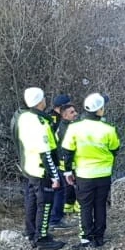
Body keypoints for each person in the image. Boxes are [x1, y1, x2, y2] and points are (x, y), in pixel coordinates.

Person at [62, 93, 121, 248]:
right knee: (100, 205)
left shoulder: (74, 128)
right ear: (99, 110)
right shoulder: (108, 129)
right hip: (103, 173)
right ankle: (99, 236)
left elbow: (67, 152)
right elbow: (115, 149)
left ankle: (86, 238)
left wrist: (67, 172)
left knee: (85, 206)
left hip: (83, 174)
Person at [15, 87, 65, 250]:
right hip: (41, 168)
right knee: (45, 203)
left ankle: (31, 232)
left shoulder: (24, 117)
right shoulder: (39, 123)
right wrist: (54, 176)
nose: (45, 101)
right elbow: (45, 153)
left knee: (33, 201)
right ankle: (42, 238)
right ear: (39, 101)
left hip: (29, 167)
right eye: (43, 98)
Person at [52, 95, 79, 226]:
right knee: (66, 189)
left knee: (67, 189)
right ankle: (59, 217)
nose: (76, 114)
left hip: (66, 163)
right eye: (72, 112)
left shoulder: (68, 125)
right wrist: (68, 169)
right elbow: (67, 149)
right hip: (65, 163)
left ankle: (66, 212)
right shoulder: (64, 128)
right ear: (64, 114)